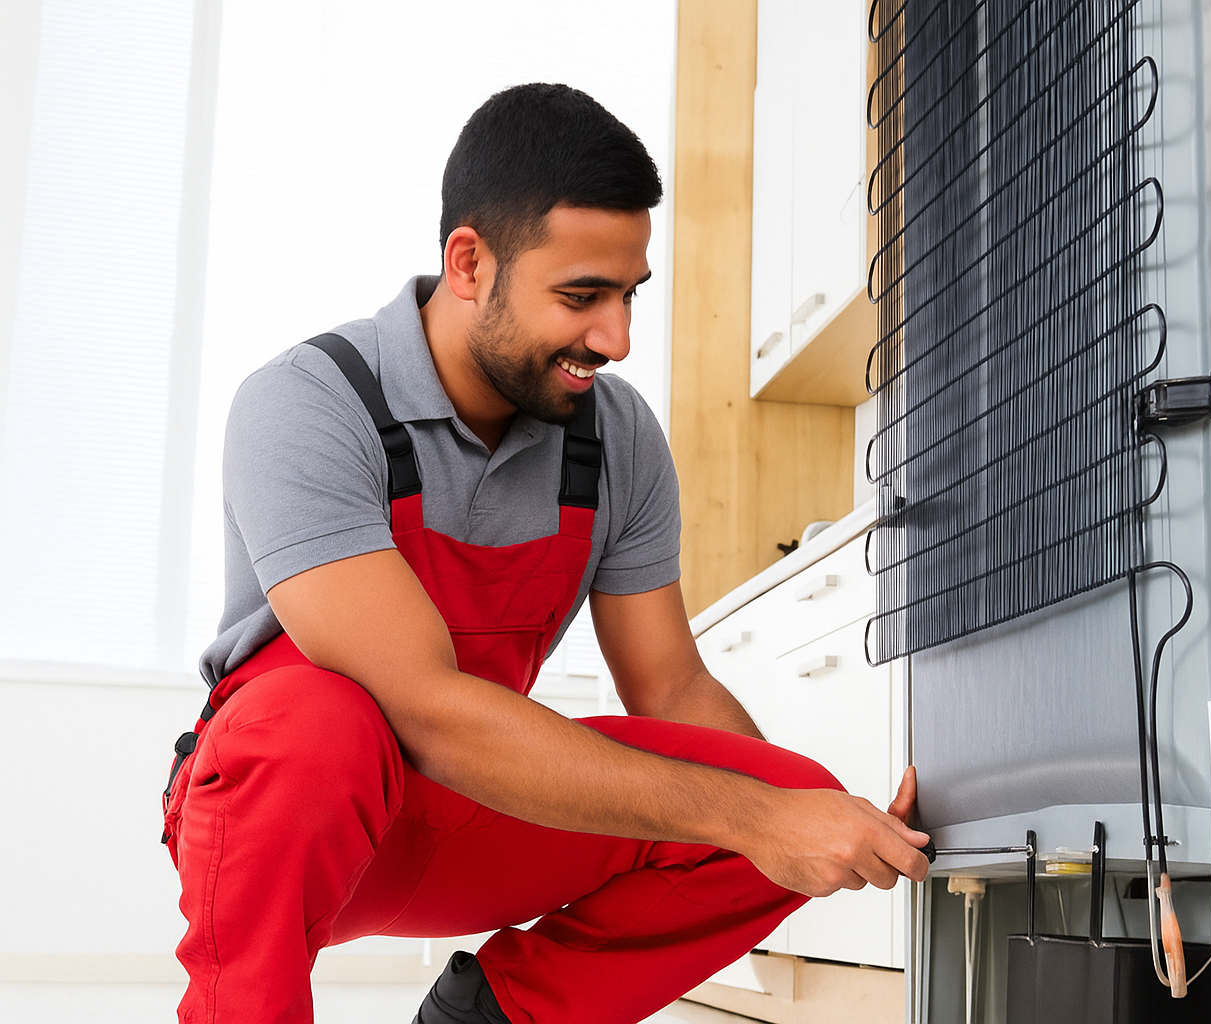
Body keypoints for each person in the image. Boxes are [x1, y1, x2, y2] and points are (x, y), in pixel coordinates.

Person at [160, 83, 929, 1024]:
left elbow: (674, 690)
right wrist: (756, 818)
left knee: (779, 791)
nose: (615, 337)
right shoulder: (309, 403)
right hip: (296, 812)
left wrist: (808, 819)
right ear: (470, 262)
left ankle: (492, 1018)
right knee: (316, 722)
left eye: (629, 296)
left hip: (471, 812)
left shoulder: (615, 439)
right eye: (582, 297)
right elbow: (427, 708)